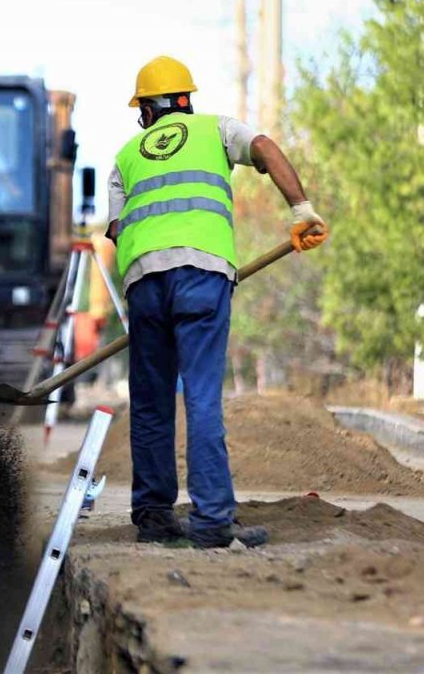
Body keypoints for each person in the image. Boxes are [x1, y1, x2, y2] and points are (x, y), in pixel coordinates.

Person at [106, 55, 328, 549]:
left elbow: (119, 231)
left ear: (147, 110)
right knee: (202, 396)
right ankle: (210, 522)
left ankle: (155, 517)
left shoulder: (124, 157)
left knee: (150, 403)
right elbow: (266, 148)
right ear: (186, 99)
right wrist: (302, 210)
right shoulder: (216, 129)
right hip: (202, 275)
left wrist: (151, 281)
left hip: (144, 280)